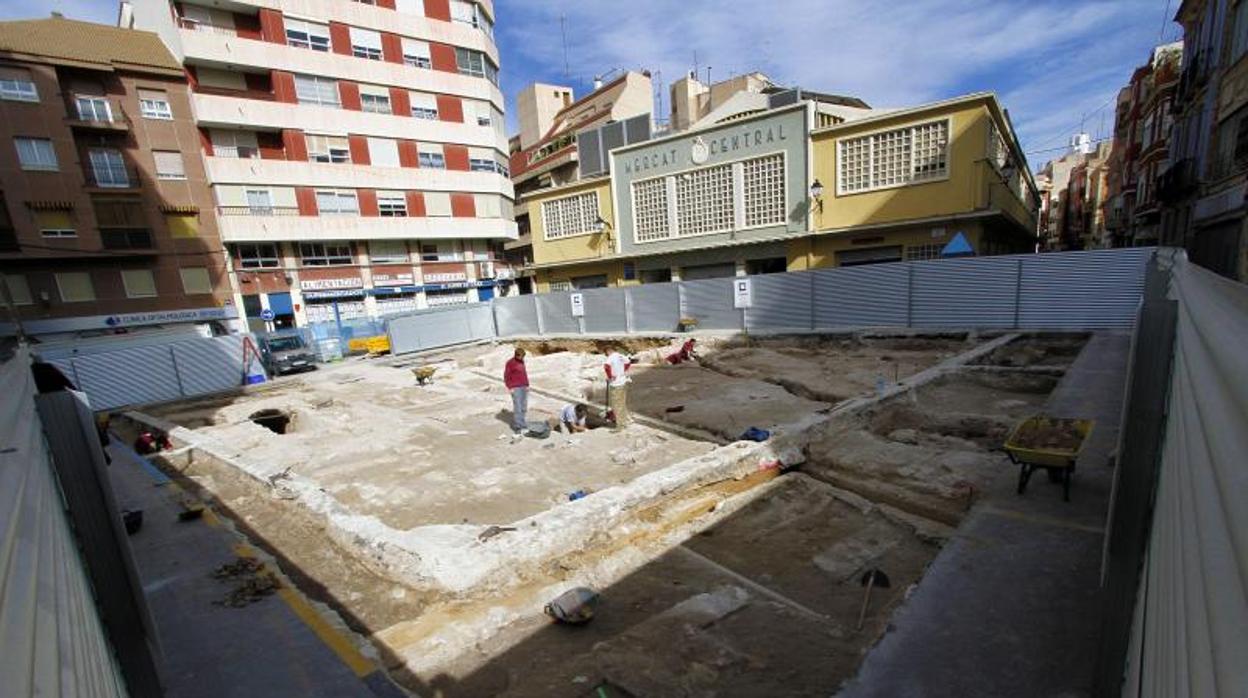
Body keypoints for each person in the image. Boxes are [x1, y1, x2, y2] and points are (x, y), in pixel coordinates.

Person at [603, 350, 632, 427]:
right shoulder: (621, 356)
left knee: (616, 402)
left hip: (615, 383)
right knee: (621, 401)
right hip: (623, 381)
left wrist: (610, 377)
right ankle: (626, 419)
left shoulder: (611, 357)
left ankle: (620, 422)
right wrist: (622, 371)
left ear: (608, 352)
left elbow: (606, 367)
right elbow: (628, 363)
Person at [503, 348, 529, 432]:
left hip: (523, 386)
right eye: (521, 357)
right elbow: (506, 376)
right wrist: (510, 387)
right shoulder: (510, 363)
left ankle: (523, 423)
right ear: (516, 355)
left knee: (524, 406)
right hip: (515, 388)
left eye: (523, 357)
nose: (522, 358)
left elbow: (524, 373)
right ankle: (518, 426)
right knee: (517, 407)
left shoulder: (521, 361)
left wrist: (527, 384)